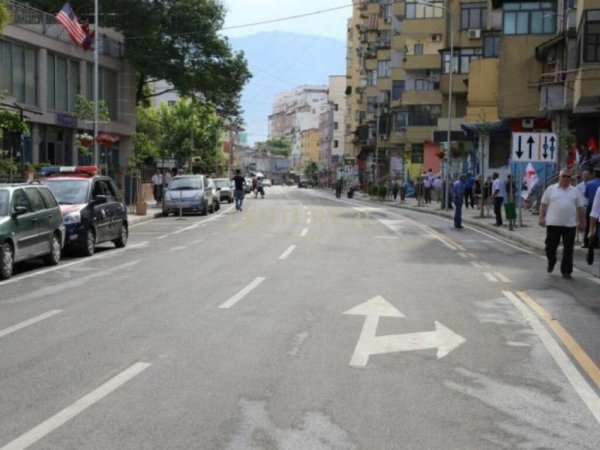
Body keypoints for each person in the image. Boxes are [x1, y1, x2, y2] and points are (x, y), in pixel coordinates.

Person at [538, 169, 586, 279]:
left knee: (568, 249)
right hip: (553, 224)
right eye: (563, 176)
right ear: (559, 177)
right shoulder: (551, 189)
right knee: (550, 247)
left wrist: (582, 222)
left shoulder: (575, 191)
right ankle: (552, 260)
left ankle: (566, 271)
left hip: (570, 225)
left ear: (571, 178)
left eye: (568, 177)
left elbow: (580, 208)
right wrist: (541, 217)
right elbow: (543, 204)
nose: (566, 178)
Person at [584, 166, 600, 248]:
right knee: (597, 225)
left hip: (591, 205)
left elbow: (586, 195)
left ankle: (587, 242)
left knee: (589, 223)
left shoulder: (589, 183)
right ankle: (596, 242)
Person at [576, 169, 590, 245]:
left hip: (590, 206)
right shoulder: (578, 187)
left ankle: (589, 239)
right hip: (582, 207)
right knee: (582, 223)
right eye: (584, 175)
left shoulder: (591, 185)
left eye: (587, 175)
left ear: (590, 176)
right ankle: (583, 240)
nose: (586, 176)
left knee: (589, 224)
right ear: (582, 176)